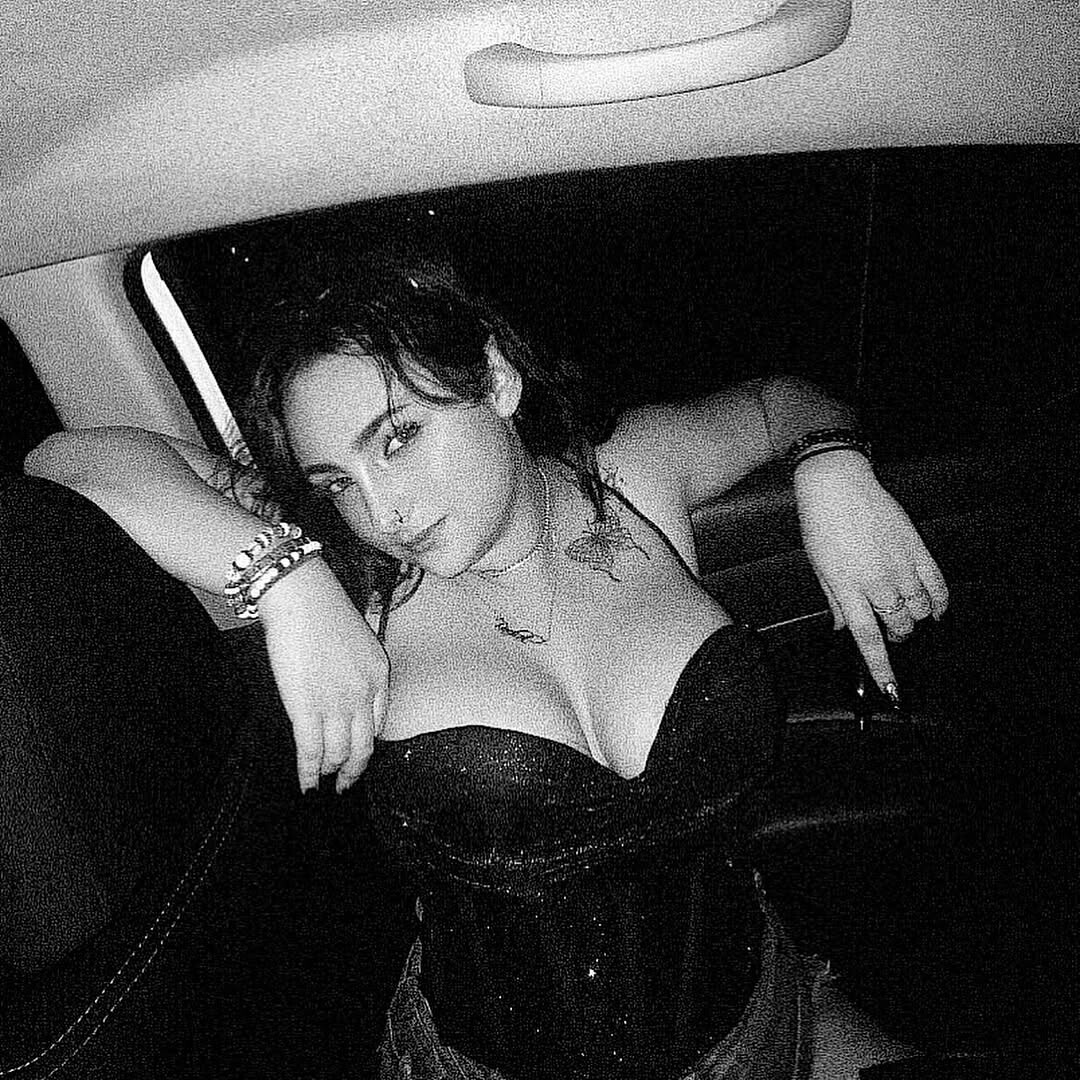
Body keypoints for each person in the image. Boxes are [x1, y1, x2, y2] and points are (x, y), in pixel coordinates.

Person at [25, 253, 947, 1079]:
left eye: (398, 437)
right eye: (337, 483)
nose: (382, 511)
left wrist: (831, 466)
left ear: (496, 381)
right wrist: (287, 579)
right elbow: (70, 460)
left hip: (759, 1020)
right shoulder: (353, 574)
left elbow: (787, 402)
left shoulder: (630, 476)